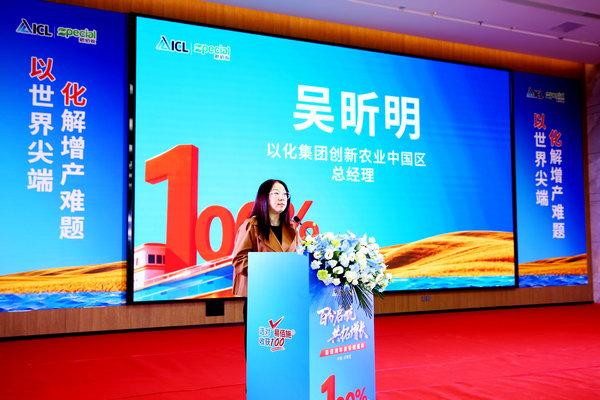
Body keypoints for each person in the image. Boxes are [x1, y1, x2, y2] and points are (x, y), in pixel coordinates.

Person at [231, 179, 299, 357]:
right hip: (260, 296)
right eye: (276, 193)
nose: (281, 198)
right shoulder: (251, 225)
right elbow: (239, 260)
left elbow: (297, 259)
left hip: (287, 296)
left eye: (285, 194)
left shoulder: (292, 228)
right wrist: (269, 270)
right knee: (261, 350)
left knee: (284, 347)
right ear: (264, 197)